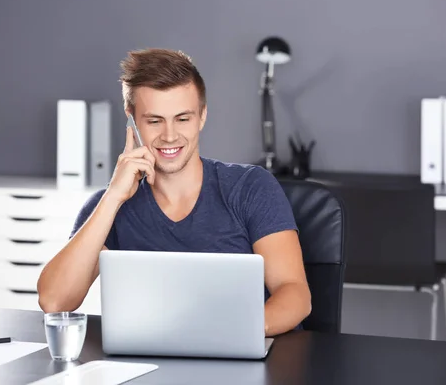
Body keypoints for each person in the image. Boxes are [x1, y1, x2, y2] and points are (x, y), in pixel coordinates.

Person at [36, 48, 312, 336]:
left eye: (183, 119)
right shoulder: (110, 208)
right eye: (155, 121)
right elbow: (55, 301)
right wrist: (113, 196)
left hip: (249, 358)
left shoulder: (250, 187)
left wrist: (224, 334)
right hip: (151, 366)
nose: (169, 135)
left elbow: (294, 294)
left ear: (202, 116)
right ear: (131, 119)